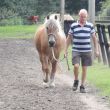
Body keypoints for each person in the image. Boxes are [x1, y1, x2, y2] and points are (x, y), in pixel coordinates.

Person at [64, 9, 99, 93]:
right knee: (76, 66)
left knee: (84, 69)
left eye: (84, 17)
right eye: (81, 16)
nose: (83, 18)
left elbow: (94, 38)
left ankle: (82, 86)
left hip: (87, 50)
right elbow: (68, 38)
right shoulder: (73, 25)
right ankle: (76, 80)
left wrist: (96, 50)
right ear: (78, 16)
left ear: (86, 17)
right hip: (76, 50)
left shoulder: (90, 26)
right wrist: (65, 50)